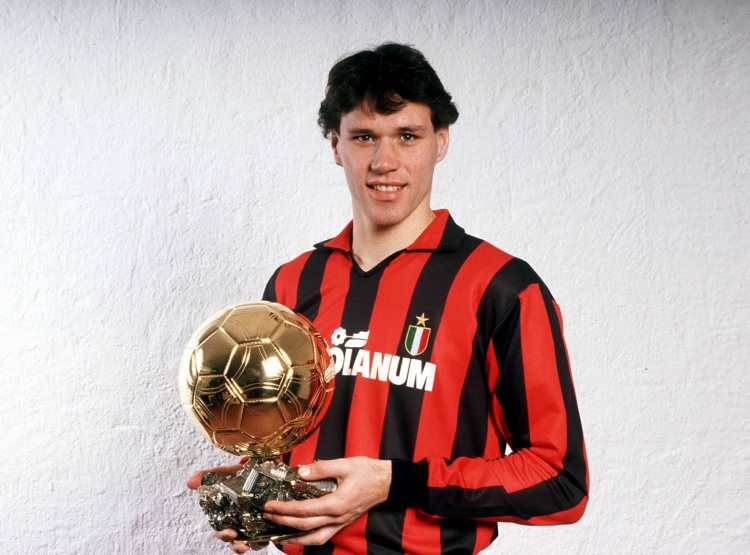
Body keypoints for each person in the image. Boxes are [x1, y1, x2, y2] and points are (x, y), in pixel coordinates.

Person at [187, 42, 588, 554]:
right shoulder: (294, 282)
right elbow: (289, 442)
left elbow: (560, 482)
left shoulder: (500, 286)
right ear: (336, 145)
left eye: (407, 136)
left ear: (441, 141)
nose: (384, 161)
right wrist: (261, 491)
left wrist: (396, 482)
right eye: (364, 137)